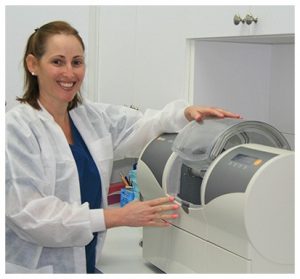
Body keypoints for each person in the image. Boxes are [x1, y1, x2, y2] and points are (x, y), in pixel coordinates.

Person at [5, 21, 241, 274]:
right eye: (57, 62)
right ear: (33, 64)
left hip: (84, 263)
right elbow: (31, 216)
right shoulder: (16, 128)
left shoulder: (90, 118)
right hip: (32, 268)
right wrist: (119, 217)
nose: (70, 73)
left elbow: (143, 126)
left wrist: (186, 114)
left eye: (77, 62)